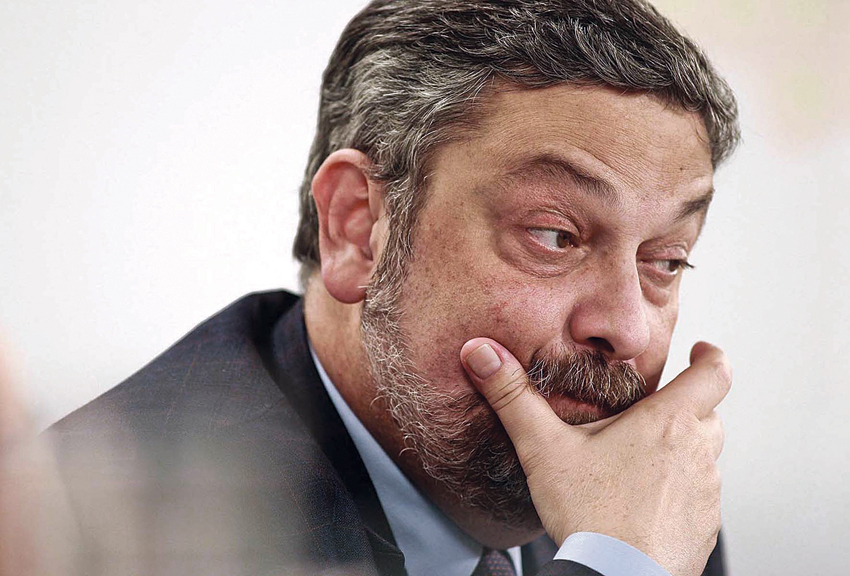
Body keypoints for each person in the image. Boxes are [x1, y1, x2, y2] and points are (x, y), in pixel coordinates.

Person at [47, 1, 739, 575]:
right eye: (555, 235)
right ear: (359, 228)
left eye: (666, 260)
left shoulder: (648, 505)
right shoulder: (99, 530)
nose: (629, 329)